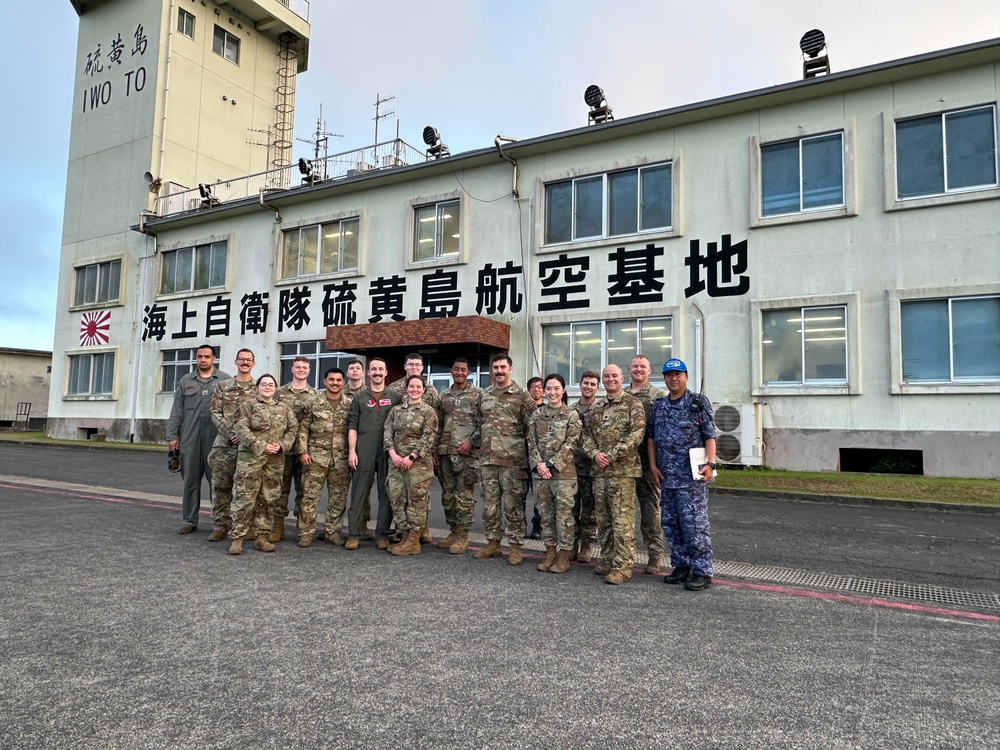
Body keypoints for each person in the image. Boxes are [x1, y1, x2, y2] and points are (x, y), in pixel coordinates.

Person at [647, 358, 718, 591]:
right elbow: (651, 438)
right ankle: (681, 565)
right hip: (667, 476)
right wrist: (653, 465)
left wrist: (711, 463)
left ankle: (702, 570)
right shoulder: (659, 406)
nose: (673, 378)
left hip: (691, 476)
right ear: (664, 378)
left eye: (678, 374)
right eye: (669, 375)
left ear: (686, 377)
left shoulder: (697, 402)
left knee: (694, 525)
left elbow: (709, 435)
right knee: (671, 524)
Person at [580, 364, 646, 585]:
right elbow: (585, 436)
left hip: (622, 472)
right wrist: (595, 454)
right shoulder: (596, 408)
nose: (610, 379)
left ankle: (623, 566)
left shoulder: (632, 404)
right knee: (604, 519)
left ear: (621, 378)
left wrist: (611, 455)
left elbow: (637, 433)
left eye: (614, 376)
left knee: (622, 521)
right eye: (606, 376)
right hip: (599, 472)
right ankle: (607, 559)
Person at [475, 354, 536, 566]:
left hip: (513, 461)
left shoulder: (522, 395)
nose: (499, 371)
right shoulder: (484, 395)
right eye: (495, 367)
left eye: (503, 367)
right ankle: (493, 543)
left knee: (513, 506)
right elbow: (479, 424)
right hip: (488, 460)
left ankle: (516, 547)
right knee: (490, 506)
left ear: (510, 368)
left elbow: (533, 427)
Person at [227, 374, 298, 555]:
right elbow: (241, 429)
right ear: (257, 387)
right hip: (250, 459)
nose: (267, 387)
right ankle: (237, 538)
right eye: (264, 384)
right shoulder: (247, 406)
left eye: (271, 384)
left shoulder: (284, 408)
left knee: (268, 499)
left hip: (274, 460)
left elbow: (293, 429)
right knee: (245, 498)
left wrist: (281, 445)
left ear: (275, 388)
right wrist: (261, 446)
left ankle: (261, 537)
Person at [166, 344, 230, 534]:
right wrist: (173, 436)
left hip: (216, 438)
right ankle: (189, 520)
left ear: (214, 359)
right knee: (190, 481)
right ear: (196, 359)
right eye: (200, 356)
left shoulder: (225, 380)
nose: (203, 360)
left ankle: (220, 523)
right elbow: (177, 410)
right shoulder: (186, 381)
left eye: (207, 357)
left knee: (217, 482)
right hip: (190, 437)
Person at [527, 374, 583, 574]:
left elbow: (571, 445)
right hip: (541, 475)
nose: (552, 392)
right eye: (548, 388)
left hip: (563, 476)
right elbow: (531, 442)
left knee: (565, 518)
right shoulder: (537, 415)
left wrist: (550, 465)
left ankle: (563, 556)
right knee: (546, 516)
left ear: (564, 389)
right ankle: (550, 552)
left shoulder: (571, 415)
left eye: (556, 388)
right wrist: (539, 465)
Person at [346, 358, 402, 550]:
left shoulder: (395, 397)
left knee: (386, 493)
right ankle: (354, 534)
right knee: (359, 492)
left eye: (380, 369)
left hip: (388, 450)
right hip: (364, 449)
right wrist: (352, 451)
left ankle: (382, 535)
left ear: (386, 372)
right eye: (373, 369)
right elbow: (352, 424)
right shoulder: (359, 398)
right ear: (368, 373)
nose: (377, 372)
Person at [296, 368, 354, 548]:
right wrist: (303, 452)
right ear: (324, 382)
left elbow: (354, 430)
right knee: (310, 498)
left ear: (343, 383)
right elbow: (303, 429)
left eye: (338, 380)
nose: (335, 383)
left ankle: (332, 532)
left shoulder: (350, 404)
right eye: (331, 380)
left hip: (341, 459)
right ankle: (305, 533)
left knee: (338, 499)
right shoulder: (313, 402)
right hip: (315, 458)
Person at [383, 375, 439, 556]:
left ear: (423, 390)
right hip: (396, 462)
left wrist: (411, 457)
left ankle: (414, 540)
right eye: (411, 386)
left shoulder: (428, 412)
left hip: (418, 465)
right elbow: (387, 432)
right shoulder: (396, 410)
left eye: (418, 387)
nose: (414, 390)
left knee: (416, 502)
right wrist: (392, 453)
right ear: (406, 388)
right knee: (397, 499)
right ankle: (405, 536)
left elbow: (428, 437)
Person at [206, 349, 256, 541]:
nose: (245, 362)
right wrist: (231, 432)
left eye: (248, 360)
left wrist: (245, 436)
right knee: (221, 486)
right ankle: (220, 525)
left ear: (253, 363)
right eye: (241, 359)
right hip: (225, 445)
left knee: (247, 490)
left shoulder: (259, 387)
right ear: (236, 362)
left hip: (249, 447)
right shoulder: (223, 386)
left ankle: (245, 526)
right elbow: (215, 412)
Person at [434, 357, 481, 555]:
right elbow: (438, 423)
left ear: (468, 373)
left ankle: (463, 536)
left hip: (466, 453)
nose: (459, 372)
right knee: (448, 495)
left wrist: (471, 442)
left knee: (464, 496)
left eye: (463, 369)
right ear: (451, 372)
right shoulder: (443, 395)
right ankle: (453, 531)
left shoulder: (478, 395)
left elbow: (484, 423)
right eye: (456, 369)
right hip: (445, 452)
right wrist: (435, 449)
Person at [627, 354, 668, 574]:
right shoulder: (622, 395)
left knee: (650, 510)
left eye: (643, 366)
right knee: (623, 513)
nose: (639, 369)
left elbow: (661, 431)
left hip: (647, 461)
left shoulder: (658, 396)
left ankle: (654, 556)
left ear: (649, 370)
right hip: (624, 463)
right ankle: (625, 555)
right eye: (635, 366)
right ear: (629, 369)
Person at [271, 356, 317, 542]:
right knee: (279, 489)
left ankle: (302, 529)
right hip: (283, 449)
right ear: (292, 369)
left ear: (309, 370)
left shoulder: (315, 396)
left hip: (304, 450)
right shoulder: (279, 393)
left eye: (304, 367)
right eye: (298, 367)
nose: (301, 370)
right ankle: (278, 528)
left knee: (304, 490)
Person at [572, 370, 601, 563]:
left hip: (592, 467)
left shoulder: (601, 410)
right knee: (572, 507)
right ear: (580, 385)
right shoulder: (571, 409)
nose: (588, 387)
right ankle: (571, 543)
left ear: (597, 388)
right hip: (572, 467)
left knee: (590, 508)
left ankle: (587, 544)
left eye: (592, 384)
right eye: (585, 383)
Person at [524, 376, 544, 540]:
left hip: (537, 460)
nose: (536, 389)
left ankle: (537, 526)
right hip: (520, 457)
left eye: (539, 387)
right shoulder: (523, 409)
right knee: (518, 496)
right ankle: (518, 526)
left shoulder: (545, 410)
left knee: (538, 496)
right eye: (533, 387)